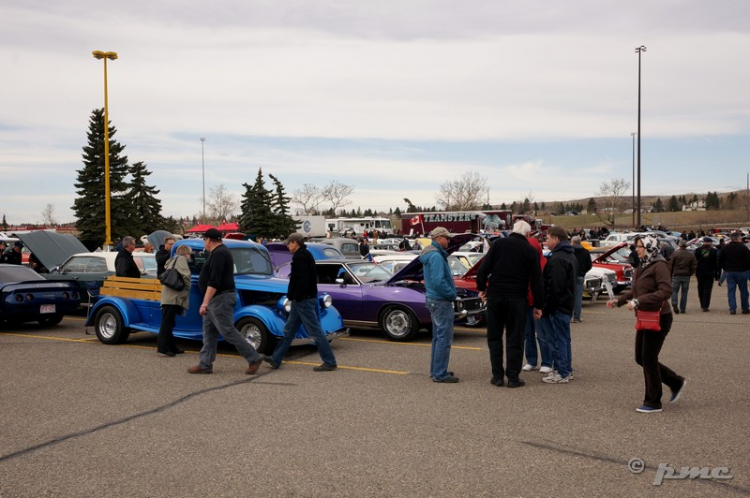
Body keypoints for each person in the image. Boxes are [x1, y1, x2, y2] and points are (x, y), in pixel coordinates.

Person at [607, 235, 685, 414]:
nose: (637, 250)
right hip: (645, 316)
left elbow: (666, 291)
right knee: (640, 358)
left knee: (649, 358)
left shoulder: (660, 265)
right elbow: (635, 291)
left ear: (651, 248)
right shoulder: (642, 266)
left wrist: (639, 301)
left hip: (659, 317)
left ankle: (653, 402)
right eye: (636, 247)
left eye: (641, 247)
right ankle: (675, 381)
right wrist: (618, 301)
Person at [476, 221, 544, 388]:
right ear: (528, 235)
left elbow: (483, 269)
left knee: (494, 337)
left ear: (512, 231)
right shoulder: (530, 250)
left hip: (496, 296)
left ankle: (497, 376)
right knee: (515, 337)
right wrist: (539, 305)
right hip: (517, 299)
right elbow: (537, 281)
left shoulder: (498, 245)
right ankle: (513, 377)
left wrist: (482, 288)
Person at [188, 228, 264, 375]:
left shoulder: (219, 254)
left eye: (204, 240)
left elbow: (214, 281)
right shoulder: (218, 253)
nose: (204, 242)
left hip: (220, 298)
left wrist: (205, 302)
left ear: (209, 240)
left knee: (227, 330)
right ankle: (205, 364)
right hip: (216, 299)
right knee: (209, 332)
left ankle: (253, 357)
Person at [263, 233, 338, 371]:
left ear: (295, 243)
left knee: (315, 331)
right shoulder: (306, 254)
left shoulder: (300, 257)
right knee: (289, 330)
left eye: (289, 243)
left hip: (303, 300)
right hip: (301, 300)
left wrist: (296, 295)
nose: (287, 245)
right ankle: (276, 358)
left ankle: (330, 361)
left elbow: (301, 280)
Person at [421, 227, 460, 383]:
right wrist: (451, 294)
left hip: (434, 299)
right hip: (441, 301)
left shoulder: (429, 254)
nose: (448, 241)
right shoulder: (436, 256)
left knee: (438, 337)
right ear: (438, 238)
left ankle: (436, 370)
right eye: (447, 238)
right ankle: (439, 373)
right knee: (444, 338)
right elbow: (438, 281)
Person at [541, 226, 577, 384]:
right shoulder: (569, 255)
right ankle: (566, 369)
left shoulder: (557, 259)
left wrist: (547, 307)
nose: (545, 241)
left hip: (557, 307)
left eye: (547, 238)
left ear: (556, 239)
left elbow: (555, 286)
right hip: (566, 304)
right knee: (564, 339)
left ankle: (561, 371)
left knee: (556, 339)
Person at [522, 236, 553, 374]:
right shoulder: (523, 264)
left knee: (542, 334)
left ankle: (547, 361)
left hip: (538, 304)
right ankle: (531, 360)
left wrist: (542, 303)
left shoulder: (544, 263)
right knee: (528, 334)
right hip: (525, 302)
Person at [157, 244, 192, 357]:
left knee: (169, 322)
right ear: (185, 253)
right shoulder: (181, 259)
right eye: (189, 254)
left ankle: (171, 346)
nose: (189, 256)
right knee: (167, 323)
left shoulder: (172, 260)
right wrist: (187, 288)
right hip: (174, 297)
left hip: (168, 296)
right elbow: (186, 275)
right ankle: (163, 347)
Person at [718, 231, 750, 314]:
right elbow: (748, 260)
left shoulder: (725, 248)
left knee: (731, 291)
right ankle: (745, 307)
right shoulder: (744, 248)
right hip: (741, 271)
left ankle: (732, 308)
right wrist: (746, 268)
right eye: (740, 238)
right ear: (738, 239)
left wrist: (725, 268)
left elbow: (720, 259)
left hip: (729, 271)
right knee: (744, 291)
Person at [669, 239, 697, 314]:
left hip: (677, 275)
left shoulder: (675, 254)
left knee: (674, 291)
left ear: (679, 245)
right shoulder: (690, 254)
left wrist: (670, 274)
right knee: (684, 292)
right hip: (686, 275)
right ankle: (683, 308)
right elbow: (694, 265)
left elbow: (670, 264)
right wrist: (690, 272)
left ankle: (674, 303)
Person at [571, 235, 592, 323]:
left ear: (573, 242)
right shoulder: (586, 252)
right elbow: (589, 265)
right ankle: (577, 316)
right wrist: (583, 272)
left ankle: (569, 316)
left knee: (570, 296)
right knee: (578, 297)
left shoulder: (570, 252)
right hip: (580, 276)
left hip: (571, 276)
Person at [695, 237, 719, 312]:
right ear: (710, 243)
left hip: (700, 272)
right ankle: (706, 305)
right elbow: (717, 262)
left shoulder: (698, 250)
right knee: (708, 289)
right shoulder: (714, 251)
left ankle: (702, 303)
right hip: (710, 272)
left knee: (700, 287)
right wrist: (716, 273)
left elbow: (695, 261)